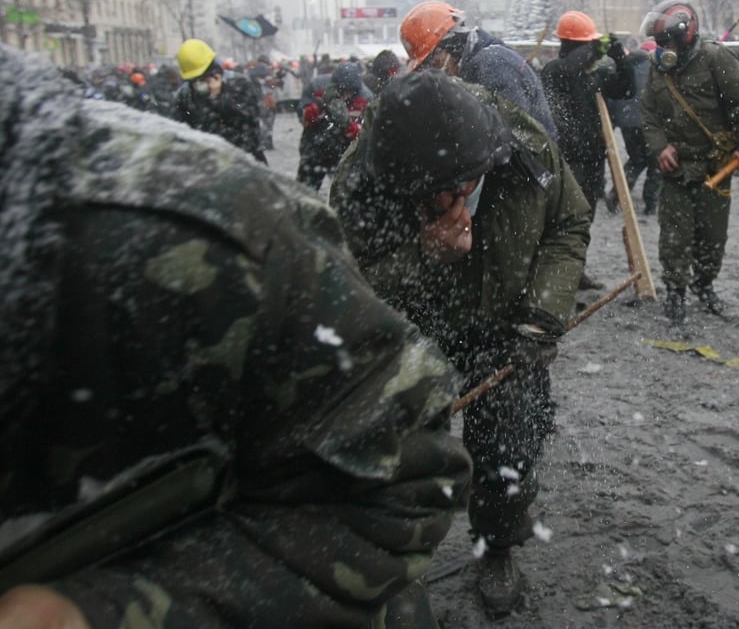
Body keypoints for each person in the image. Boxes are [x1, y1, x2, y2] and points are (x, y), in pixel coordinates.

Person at [0, 44, 471, 628]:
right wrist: (421, 255)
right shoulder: (357, 173)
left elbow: (403, 469)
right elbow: (366, 269)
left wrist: (126, 613)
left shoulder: (205, 229)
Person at [330, 70, 591, 617]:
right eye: (428, 195)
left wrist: (544, 315)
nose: (448, 200)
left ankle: (497, 542)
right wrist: (422, 256)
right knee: (399, 460)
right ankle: (402, 571)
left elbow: (568, 222)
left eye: (456, 187)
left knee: (510, 444)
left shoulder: (522, 144)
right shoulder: (360, 178)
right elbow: (353, 286)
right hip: (408, 335)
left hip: (505, 327)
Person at [639, 0, 739, 323]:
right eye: (659, 41)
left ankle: (705, 285)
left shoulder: (716, 58)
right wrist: (659, 146)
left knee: (712, 235)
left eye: (667, 40)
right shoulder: (658, 66)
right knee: (674, 235)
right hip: (676, 167)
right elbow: (648, 113)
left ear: (686, 33)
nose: (664, 47)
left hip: (715, 165)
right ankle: (675, 292)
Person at [541, 11, 635, 288]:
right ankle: (556, 275)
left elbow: (626, 89)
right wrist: (595, 47)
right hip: (568, 159)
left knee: (585, 220)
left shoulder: (593, 76)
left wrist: (620, 58)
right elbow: (568, 69)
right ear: (574, 45)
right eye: (587, 46)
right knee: (565, 221)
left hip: (593, 158)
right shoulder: (555, 71)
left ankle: (576, 270)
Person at [400, 0, 558, 140]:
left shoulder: (493, 65)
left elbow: (513, 137)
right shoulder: (475, 67)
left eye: (433, 62)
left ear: (451, 44)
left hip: (531, 170)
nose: (434, 71)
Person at [171, 38, 266, 163]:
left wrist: (219, 98)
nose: (198, 83)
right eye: (194, 80)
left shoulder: (239, 85)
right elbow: (180, 131)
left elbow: (250, 123)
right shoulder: (184, 95)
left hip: (243, 161)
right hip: (206, 165)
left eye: (203, 77)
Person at [605, 38, 661, 216]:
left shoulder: (623, 67)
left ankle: (616, 195)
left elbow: (613, 97)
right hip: (649, 123)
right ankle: (651, 203)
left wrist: (614, 122)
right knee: (655, 164)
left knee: (636, 160)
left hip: (627, 123)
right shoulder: (657, 69)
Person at [297, 62, 369, 192]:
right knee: (305, 191)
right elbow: (302, 114)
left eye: (351, 92)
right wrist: (311, 113)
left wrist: (358, 130)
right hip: (314, 148)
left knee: (345, 194)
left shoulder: (365, 97)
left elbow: (367, 126)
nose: (347, 95)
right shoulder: (316, 86)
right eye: (343, 90)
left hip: (342, 152)